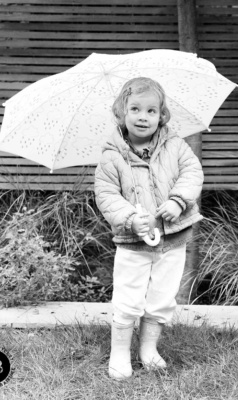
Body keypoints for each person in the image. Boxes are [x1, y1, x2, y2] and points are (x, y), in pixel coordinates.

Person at [94, 77, 203, 379]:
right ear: (121, 113)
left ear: (161, 115)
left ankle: (148, 349)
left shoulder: (175, 146)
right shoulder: (111, 156)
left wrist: (179, 201)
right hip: (133, 240)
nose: (143, 116)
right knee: (129, 296)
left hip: (173, 237)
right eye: (135, 109)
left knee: (162, 295)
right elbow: (106, 195)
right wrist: (129, 217)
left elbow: (193, 173)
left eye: (151, 111)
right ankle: (119, 353)